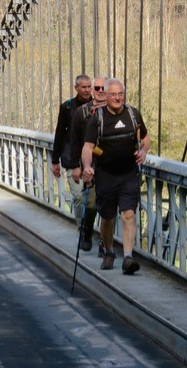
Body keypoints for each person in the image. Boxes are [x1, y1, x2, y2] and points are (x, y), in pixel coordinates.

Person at [81, 78, 151, 275]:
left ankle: (128, 257)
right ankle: (109, 250)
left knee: (129, 214)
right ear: (106, 95)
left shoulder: (133, 114)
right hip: (106, 175)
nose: (117, 98)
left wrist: (143, 151)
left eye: (120, 94)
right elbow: (87, 147)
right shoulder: (98, 119)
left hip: (129, 173)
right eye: (113, 94)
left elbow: (146, 139)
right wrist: (87, 166)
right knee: (108, 217)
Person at [51, 74, 93, 248]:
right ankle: (82, 229)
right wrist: (55, 161)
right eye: (83, 87)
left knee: (93, 201)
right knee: (78, 197)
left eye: (89, 86)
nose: (87, 90)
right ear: (76, 88)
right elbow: (59, 134)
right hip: (71, 159)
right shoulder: (67, 108)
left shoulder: (98, 107)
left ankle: (89, 229)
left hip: (92, 161)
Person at [69, 75, 108, 254]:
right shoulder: (82, 112)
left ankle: (104, 243)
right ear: (93, 91)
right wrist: (77, 166)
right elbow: (75, 141)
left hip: (110, 167)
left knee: (109, 207)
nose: (100, 91)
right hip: (90, 166)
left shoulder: (118, 111)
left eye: (103, 88)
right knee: (91, 203)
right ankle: (87, 231)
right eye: (97, 88)